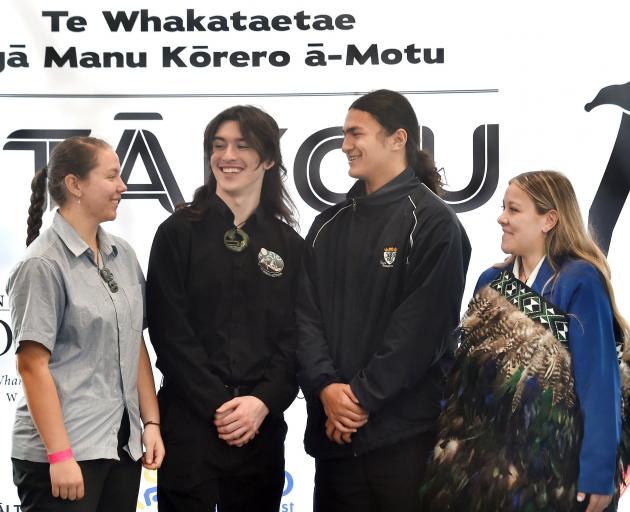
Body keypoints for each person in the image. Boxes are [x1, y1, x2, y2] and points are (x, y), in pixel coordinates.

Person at [296, 89, 471, 511]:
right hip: (335, 440)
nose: (344, 145)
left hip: (403, 442)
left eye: (356, 133)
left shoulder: (434, 224)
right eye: (344, 134)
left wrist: (358, 399)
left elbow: (421, 333)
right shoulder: (326, 224)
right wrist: (326, 389)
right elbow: (303, 317)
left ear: (398, 138)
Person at [420, 170, 629, 512]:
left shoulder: (580, 280)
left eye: (514, 210)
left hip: (557, 477)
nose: (501, 217)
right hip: (489, 477)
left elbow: (599, 385)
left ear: (549, 219)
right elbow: (463, 386)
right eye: (503, 208)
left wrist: (598, 473)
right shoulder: (490, 280)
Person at [146, 105, 303, 512]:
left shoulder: (289, 245)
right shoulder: (177, 233)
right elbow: (168, 332)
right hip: (190, 425)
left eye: (241, 145)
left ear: (267, 159)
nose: (226, 156)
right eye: (218, 146)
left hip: (260, 427)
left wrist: (261, 402)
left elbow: (297, 335)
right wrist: (219, 405)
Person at [6, 136, 165, 511]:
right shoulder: (42, 264)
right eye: (111, 176)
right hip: (63, 456)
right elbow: (31, 366)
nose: (122, 186)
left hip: (119, 446)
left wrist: (151, 423)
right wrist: (60, 456)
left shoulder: (122, 254)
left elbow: (134, 342)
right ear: (75, 185)